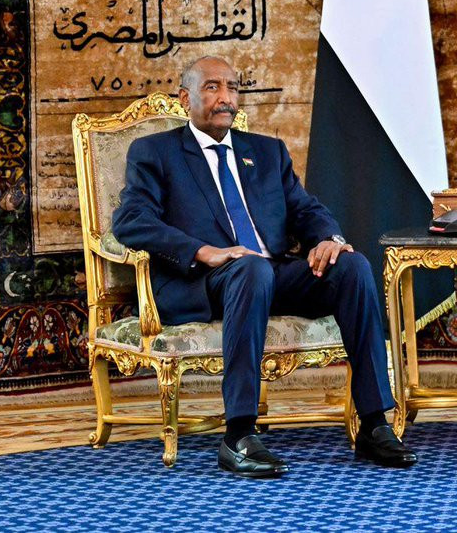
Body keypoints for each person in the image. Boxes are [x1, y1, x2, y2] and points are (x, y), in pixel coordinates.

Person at [113, 55, 416, 478]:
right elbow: (131, 220)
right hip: (203, 281)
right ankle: (238, 434)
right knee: (251, 269)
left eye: (232, 88)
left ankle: (374, 424)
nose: (225, 98)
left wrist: (328, 240)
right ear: (185, 98)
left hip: (270, 275)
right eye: (212, 87)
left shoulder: (266, 152)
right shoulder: (155, 152)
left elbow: (306, 210)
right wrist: (204, 251)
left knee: (352, 266)